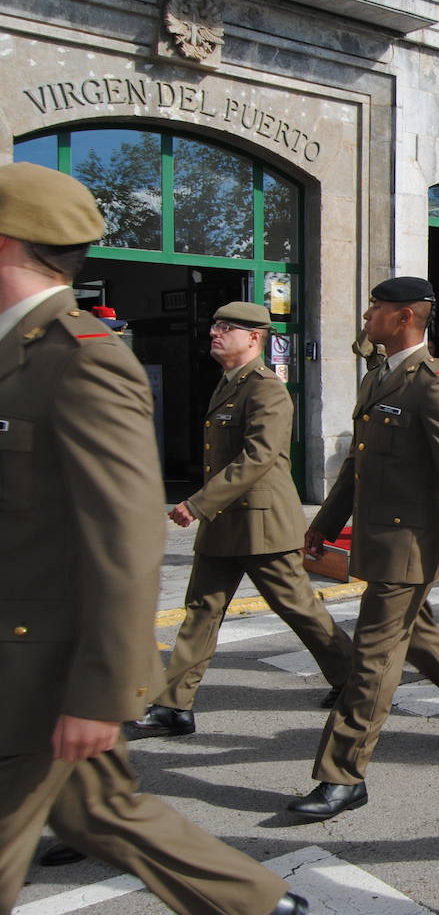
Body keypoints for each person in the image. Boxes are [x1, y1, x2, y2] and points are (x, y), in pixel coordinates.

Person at [0, 162, 308, 915]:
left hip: (48, 664)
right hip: (24, 659)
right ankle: (260, 906)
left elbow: (121, 536)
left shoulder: (81, 359)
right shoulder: (19, 354)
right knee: (97, 810)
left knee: (305, 619)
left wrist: (104, 690)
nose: (216, 335)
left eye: (228, 325)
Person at [290, 277, 439, 821]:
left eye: (376, 308)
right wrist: (325, 523)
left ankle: (343, 774)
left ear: (405, 316)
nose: (366, 316)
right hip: (377, 538)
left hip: (408, 545)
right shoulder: (380, 378)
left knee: (372, 658)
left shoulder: (435, 384)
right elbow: (358, 465)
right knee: (418, 636)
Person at [132, 303, 354, 740]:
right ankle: (174, 705)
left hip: (261, 524)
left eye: (226, 328)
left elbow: (257, 456)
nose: (215, 333)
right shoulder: (228, 384)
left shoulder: (267, 389)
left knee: (298, 607)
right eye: (214, 325)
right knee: (201, 611)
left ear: (254, 337)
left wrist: (197, 503)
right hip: (224, 522)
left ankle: (353, 681)